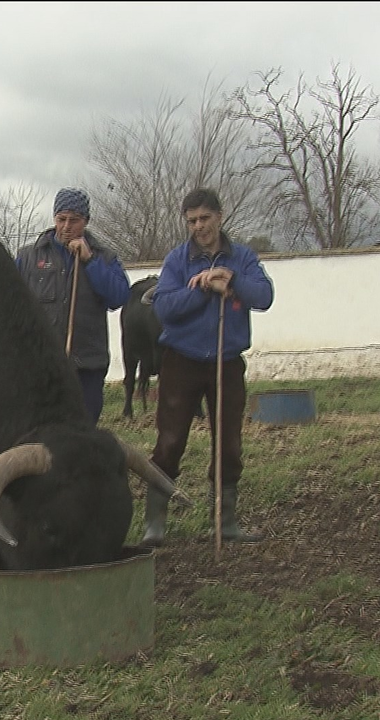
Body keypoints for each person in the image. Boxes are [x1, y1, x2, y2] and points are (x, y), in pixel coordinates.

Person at [142, 187, 274, 546]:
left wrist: (230, 280)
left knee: (228, 443)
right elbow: (164, 308)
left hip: (226, 363)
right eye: (192, 221)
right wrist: (202, 289)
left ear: (220, 216)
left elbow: (264, 297)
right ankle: (154, 523)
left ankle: (224, 521)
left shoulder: (243, 258)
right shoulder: (176, 261)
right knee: (169, 441)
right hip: (181, 362)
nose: (199, 227)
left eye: (204, 218)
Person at [15, 187, 130, 424]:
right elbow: (12, 303)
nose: (67, 227)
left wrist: (90, 261)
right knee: (41, 427)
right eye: (61, 219)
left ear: (86, 221)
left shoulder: (105, 257)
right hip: (42, 364)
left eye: (74, 220)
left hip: (87, 363)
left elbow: (119, 296)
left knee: (83, 428)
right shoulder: (28, 257)